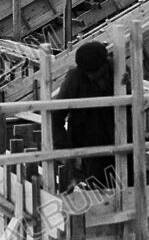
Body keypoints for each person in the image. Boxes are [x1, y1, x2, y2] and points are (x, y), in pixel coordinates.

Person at [51, 41, 122, 191]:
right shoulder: (74, 79)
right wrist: (67, 152)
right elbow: (55, 117)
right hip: (88, 149)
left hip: (120, 143)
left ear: (104, 64)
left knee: (126, 189)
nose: (93, 77)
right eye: (89, 74)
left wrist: (128, 87)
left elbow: (135, 105)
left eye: (97, 73)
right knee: (98, 193)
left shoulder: (120, 71)